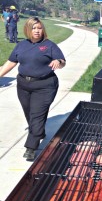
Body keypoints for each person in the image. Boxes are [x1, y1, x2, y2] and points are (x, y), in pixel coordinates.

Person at [0, 17, 66, 161]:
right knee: (30, 114)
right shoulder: (21, 45)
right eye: (34, 28)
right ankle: (38, 132)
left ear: (43, 29)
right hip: (23, 85)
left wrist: (58, 62)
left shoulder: (49, 45)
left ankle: (31, 147)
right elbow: (11, 62)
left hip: (45, 85)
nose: (37, 31)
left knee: (36, 115)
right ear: (28, 29)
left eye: (39, 28)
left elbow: (62, 62)